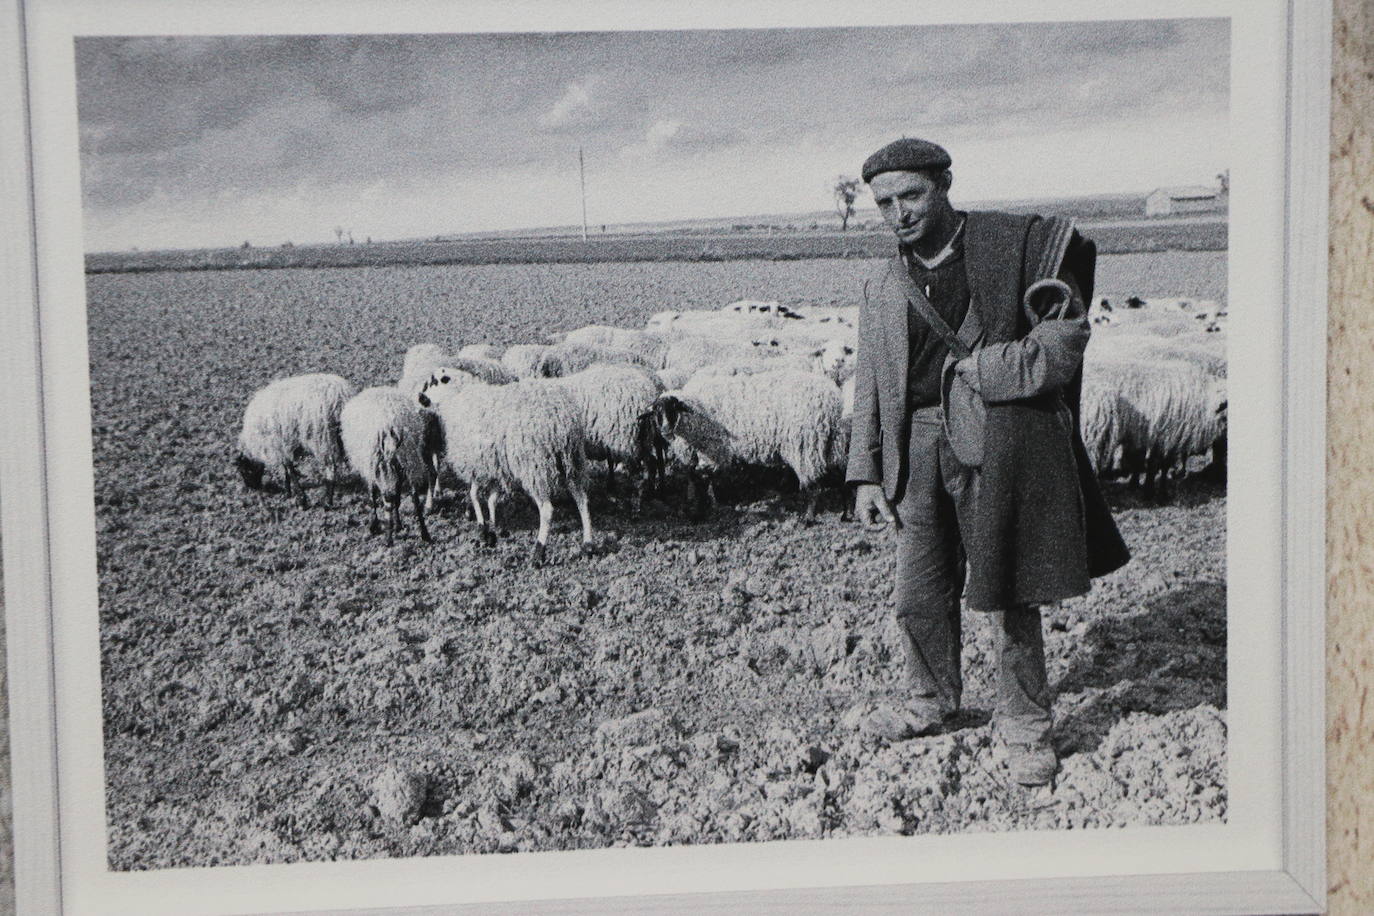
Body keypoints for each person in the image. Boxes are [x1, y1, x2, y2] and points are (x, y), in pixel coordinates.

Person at [845, 137, 1130, 787]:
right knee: (918, 590)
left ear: (945, 184)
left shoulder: (1013, 248)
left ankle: (1026, 725)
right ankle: (930, 703)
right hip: (915, 446)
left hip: (996, 430)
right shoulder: (884, 283)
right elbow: (872, 382)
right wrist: (865, 471)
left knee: (1011, 584)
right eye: (885, 202)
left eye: (912, 195)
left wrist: (994, 369)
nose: (899, 213)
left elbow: (1067, 332)